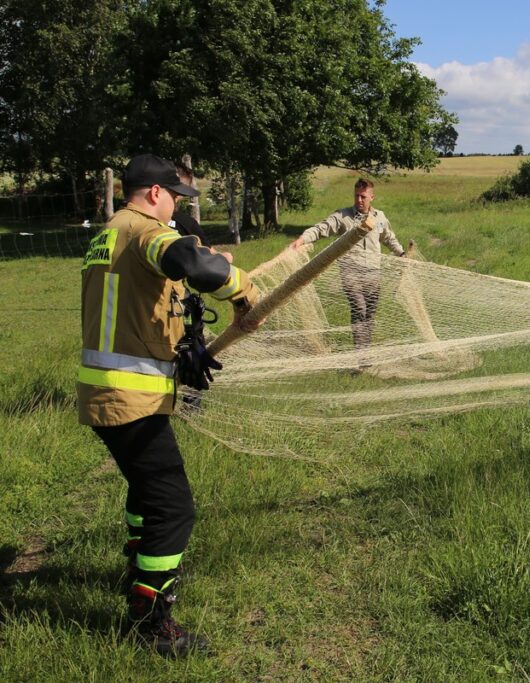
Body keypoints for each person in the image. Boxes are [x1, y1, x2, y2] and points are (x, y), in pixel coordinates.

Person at [79, 154, 260, 656]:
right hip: (128, 397)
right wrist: (243, 289)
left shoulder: (108, 233)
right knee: (173, 507)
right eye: (175, 198)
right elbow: (191, 263)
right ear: (155, 193)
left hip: (108, 391)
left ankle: (136, 572)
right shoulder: (144, 230)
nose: (176, 209)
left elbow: (146, 296)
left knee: (146, 493)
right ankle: (150, 623)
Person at [288, 178, 405, 355]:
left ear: (372, 197)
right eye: (356, 196)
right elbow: (321, 228)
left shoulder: (379, 217)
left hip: (373, 273)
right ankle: (360, 355)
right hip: (351, 272)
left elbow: (389, 238)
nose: (359, 200)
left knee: (370, 314)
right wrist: (302, 239)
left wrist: (402, 254)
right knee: (359, 308)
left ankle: (365, 354)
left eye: (363, 196)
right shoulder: (343, 216)